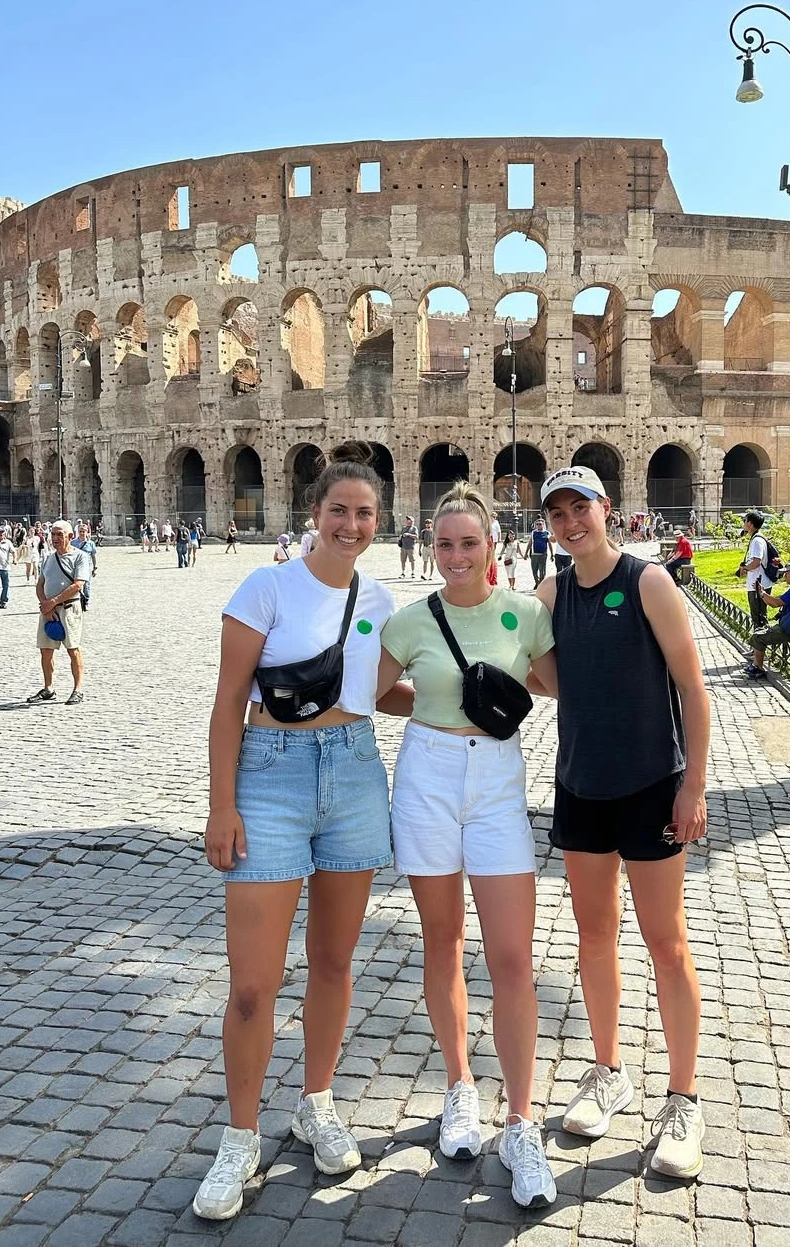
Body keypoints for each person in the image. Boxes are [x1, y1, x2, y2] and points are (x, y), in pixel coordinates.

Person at [196, 443, 404, 1223]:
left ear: (378, 523)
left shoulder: (381, 604)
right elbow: (227, 702)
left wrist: (475, 694)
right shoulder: (266, 586)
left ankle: (316, 1101)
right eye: (338, 510)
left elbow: (381, 694)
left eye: (364, 514)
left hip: (353, 772)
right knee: (253, 984)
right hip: (271, 773)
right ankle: (239, 1135)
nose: (351, 524)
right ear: (313, 515)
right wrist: (224, 804)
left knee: (333, 963)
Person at [378, 481, 559, 1209]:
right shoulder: (409, 621)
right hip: (425, 773)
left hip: (495, 783)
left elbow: (549, 682)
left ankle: (520, 1119)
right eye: (445, 543)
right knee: (443, 942)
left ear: (494, 546)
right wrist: (433, 708)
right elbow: (372, 691)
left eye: (469, 543)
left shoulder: (525, 613)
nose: (456, 555)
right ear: (432, 544)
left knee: (513, 957)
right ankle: (460, 1086)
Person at [534, 465, 710, 1180]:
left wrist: (694, 786)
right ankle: (608, 1070)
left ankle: (684, 1097)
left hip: (650, 784)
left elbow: (693, 689)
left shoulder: (648, 583)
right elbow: (539, 676)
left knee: (666, 942)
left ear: (607, 509)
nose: (571, 522)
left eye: (582, 508)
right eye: (558, 513)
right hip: (582, 784)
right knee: (594, 934)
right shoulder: (549, 593)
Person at [27, 521, 91, 706]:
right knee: (45, 651)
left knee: (73, 649)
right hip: (49, 611)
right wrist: (45, 605)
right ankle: (48, 689)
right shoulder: (48, 557)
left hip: (69, 609)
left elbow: (78, 585)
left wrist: (53, 602)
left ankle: (78, 689)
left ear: (70, 536)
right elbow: (40, 583)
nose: (55, 538)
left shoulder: (80, 557)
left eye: (59, 535)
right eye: (53, 534)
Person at [745, 561, 790, 679]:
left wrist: (762, 593)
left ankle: (758, 668)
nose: (785, 576)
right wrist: (762, 594)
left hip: (788, 630)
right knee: (760, 630)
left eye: (787, 573)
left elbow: (776, 603)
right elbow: (776, 601)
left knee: (758, 637)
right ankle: (755, 664)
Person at [736, 511, 771, 630]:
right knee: (759, 615)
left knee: (759, 616)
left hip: (758, 583)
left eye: (744, 520)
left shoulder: (757, 540)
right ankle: (760, 644)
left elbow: (756, 562)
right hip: (758, 582)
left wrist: (745, 568)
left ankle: (760, 645)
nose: (743, 523)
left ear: (750, 523)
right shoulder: (756, 538)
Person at [71, 523, 99, 605]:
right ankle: (76, 600)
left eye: (84, 531)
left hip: (87, 567)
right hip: (76, 567)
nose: (82, 533)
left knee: (87, 585)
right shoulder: (73, 543)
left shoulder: (91, 544)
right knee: (75, 585)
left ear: (87, 532)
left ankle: (86, 601)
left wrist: (95, 567)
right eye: (80, 531)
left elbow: (93, 556)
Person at [528, 517, 551, 588]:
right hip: (534, 554)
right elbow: (530, 543)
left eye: (540, 524)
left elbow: (550, 544)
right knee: (534, 571)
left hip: (543, 555)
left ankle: (540, 585)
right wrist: (526, 553)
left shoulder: (546, 533)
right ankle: (537, 582)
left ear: (543, 525)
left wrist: (552, 554)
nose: (538, 525)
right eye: (537, 524)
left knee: (542, 572)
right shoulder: (533, 533)